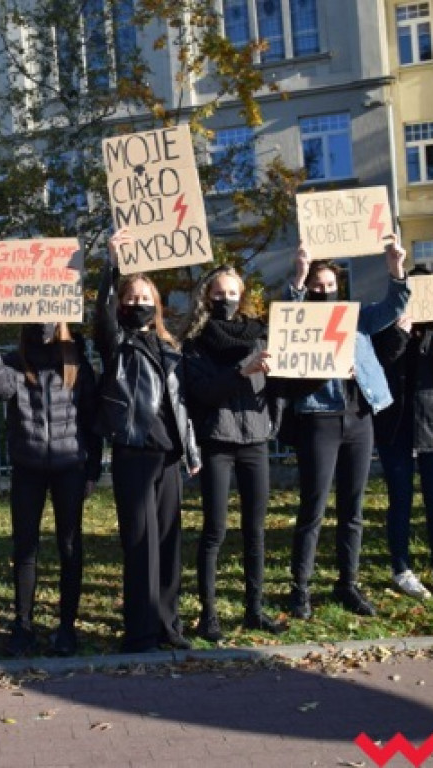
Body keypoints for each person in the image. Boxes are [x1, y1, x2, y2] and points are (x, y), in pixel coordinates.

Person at [284, 238, 408, 619]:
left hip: (359, 417)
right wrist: (300, 278)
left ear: (340, 286)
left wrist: (394, 267)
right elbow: (288, 318)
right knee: (314, 507)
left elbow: (393, 307)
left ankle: (347, 584)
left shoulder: (356, 318)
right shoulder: (302, 314)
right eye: (317, 287)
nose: (324, 291)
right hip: (319, 417)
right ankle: (300, 588)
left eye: (328, 285)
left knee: (352, 507)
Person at [93, 228, 201, 653]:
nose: (138, 304)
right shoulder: (116, 343)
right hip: (133, 452)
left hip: (169, 456)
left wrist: (190, 449)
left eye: (145, 299)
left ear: (157, 305)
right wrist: (111, 264)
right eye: (131, 299)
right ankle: (139, 632)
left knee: (169, 541)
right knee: (140, 543)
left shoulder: (168, 344)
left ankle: (168, 626)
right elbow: (100, 317)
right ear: (122, 305)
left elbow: (180, 403)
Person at [0, 308, 102, 657]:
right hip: (28, 466)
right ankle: (23, 625)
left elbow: (91, 418)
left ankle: (66, 628)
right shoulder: (17, 360)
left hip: (70, 466)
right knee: (25, 547)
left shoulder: (76, 360)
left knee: (70, 547)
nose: (42, 321)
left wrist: (92, 471)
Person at [182, 266, 282, 641]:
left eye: (233, 293)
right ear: (208, 297)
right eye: (220, 294)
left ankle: (254, 609)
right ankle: (208, 615)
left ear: (243, 295)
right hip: (218, 443)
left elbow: (277, 386)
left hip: (255, 440)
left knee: (255, 530)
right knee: (215, 531)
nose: (227, 300)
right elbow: (203, 393)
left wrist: (273, 417)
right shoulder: (196, 343)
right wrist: (242, 371)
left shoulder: (259, 336)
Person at [371, 297, 433, 601]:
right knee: (400, 500)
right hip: (396, 427)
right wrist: (399, 335)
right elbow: (377, 367)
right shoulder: (388, 326)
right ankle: (401, 569)